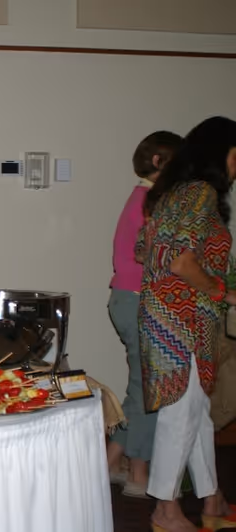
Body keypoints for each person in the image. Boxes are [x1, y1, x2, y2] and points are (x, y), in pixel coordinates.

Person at [137, 116, 236, 532]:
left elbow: (146, 251)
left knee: (194, 410)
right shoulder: (200, 194)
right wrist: (220, 290)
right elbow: (180, 261)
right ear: (220, 153)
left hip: (165, 313)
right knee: (182, 412)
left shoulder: (169, 193)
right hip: (186, 318)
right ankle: (165, 509)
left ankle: (211, 501)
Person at [107, 131, 183, 498]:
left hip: (129, 298)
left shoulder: (141, 198)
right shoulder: (151, 202)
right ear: (158, 162)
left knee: (141, 388)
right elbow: (151, 255)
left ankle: (112, 460)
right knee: (149, 390)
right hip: (138, 300)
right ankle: (138, 472)